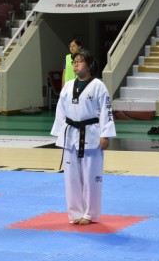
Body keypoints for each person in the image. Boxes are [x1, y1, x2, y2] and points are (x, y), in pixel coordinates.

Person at [50, 49, 116, 225]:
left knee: (91, 177)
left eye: (79, 61)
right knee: (71, 178)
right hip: (71, 135)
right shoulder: (68, 86)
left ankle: (90, 213)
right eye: (74, 62)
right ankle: (75, 213)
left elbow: (106, 110)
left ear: (89, 65)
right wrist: (60, 134)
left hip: (92, 135)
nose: (75, 64)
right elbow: (60, 110)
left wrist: (105, 134)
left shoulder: (98, 86)